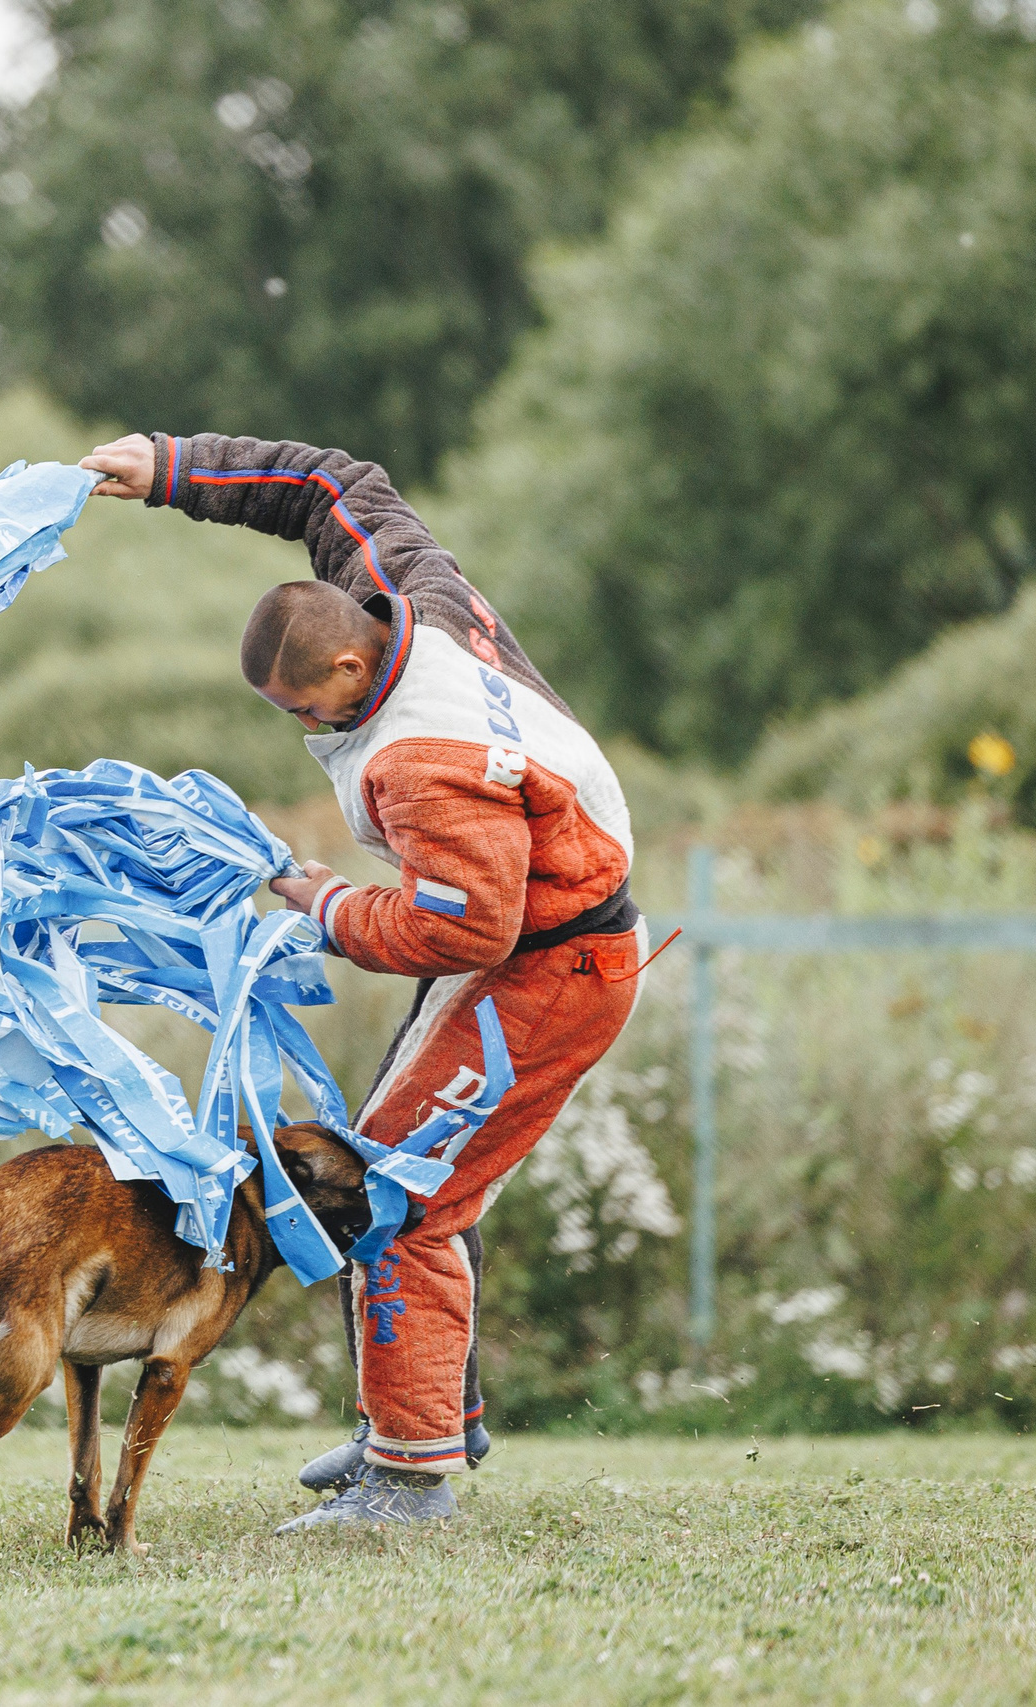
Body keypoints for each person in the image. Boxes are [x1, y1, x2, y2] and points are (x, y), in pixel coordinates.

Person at [79, 430, 650, 1531]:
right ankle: (424, 1419)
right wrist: (171, 467)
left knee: (389, 1193)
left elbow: (462, 928)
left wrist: (323, 903)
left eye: (303, 708)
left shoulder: (422, 762)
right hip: (542, 943)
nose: (302, 728)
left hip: (546, 971)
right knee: (394, 1169)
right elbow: (327, 485)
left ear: (349, 669)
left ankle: (409, 1481)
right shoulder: (412, 594)